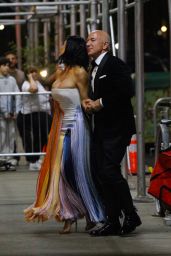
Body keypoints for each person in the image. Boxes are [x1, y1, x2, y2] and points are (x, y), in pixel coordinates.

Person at [24, 36, 105, 234]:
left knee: (75, 170)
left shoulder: (79, 73)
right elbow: (45, 83)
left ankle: (90, 213)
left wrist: (94, 105)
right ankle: (68, 215)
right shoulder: (61, 71)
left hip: (77, 125)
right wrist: (31, 76)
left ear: (70, 48)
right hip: (61, 125)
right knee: (60, 171)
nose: (60, 46)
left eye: (63, 44)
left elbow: (86, 101)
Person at [82, 30, 142, 236]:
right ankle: (113, 220)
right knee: (100, 173)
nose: (87, 43)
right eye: (86, 40)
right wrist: (90, 102)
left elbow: (126, 90)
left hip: (117, 127)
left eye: (92, 40)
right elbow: (97, 94)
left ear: (105, 45)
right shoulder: (93, 68)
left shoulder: (115, 64)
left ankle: (131, 215)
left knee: (109, 170)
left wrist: (100, 102)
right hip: (102, 128)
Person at [17, 67, 52, 171]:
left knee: (41, 137)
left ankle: (36, 159)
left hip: (41, 114)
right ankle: (32, 161)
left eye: (35, 72)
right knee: (31, 139)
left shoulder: (38, 82)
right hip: (28, 114)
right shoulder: (26, 84)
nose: (34, 74)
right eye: (31, 72)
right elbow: (33, 89)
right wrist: (30, 78)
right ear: (27, 74)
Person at [0, 57, 20, 171]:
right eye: (4, 65)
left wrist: (16, 110)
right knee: (2, 137)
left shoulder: (12, 79)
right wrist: (5, 111)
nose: (7, 67)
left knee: (11, 136)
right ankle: (2, 159)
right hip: (1, 115)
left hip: (11, 114)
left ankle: (9, 159)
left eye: (8, 65)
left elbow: (17, 94)